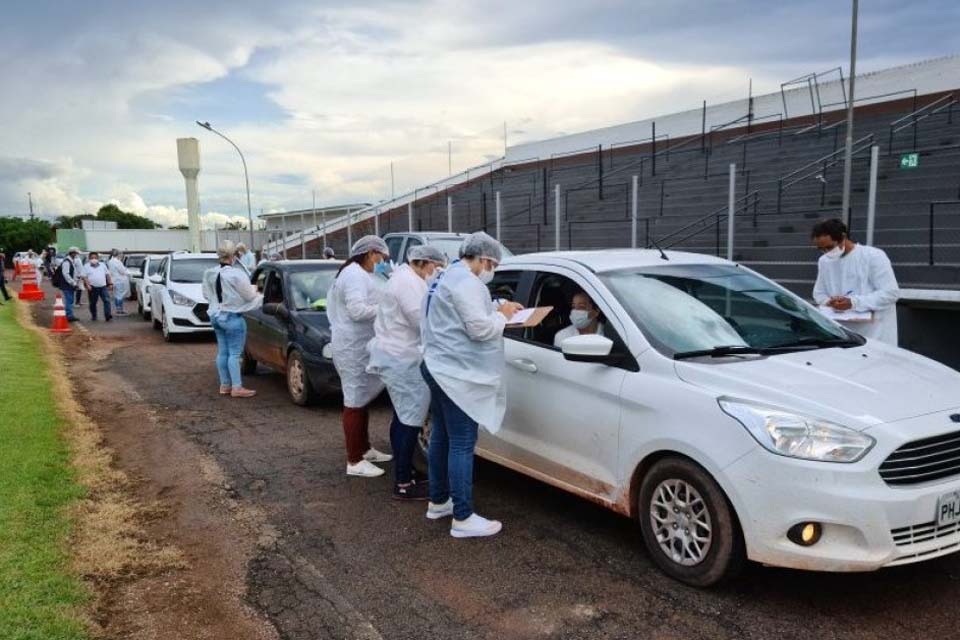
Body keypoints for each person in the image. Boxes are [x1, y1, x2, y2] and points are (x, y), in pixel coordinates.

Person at [420, 231, 523, 538]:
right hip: (454, 374)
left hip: (436, 366)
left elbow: (471, 310)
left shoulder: (447, 276)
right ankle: (463, 517)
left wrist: (500, 305)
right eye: (490, 264)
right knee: (462, 442)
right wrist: (503, 317)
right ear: (480, 259)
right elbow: (479, 328)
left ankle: (439, 501)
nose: (490, 270)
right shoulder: (466, 282)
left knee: (441, 435)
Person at [367, 244, 447, 500]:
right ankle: (403, 482)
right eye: (436, 267)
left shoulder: (406, 278)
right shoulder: (408, 283)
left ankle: (406, 470)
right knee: (409, 420)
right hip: (402, 358)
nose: (437, 272)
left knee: (402, 417)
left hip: (399, 355)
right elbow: (421, 320)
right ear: (423, 263)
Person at [327, 235, 394, 478]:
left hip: (358, 344)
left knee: (361, 397)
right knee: (354, 400)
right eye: (381, 258)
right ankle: (354, 460)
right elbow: (357, 311)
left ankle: (364, 449)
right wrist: (388, 309)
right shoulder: (354, 274)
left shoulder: (356, 272)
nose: (382, 262)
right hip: (352, 347)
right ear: (371, 253)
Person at [812, 218, 900, 345]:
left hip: (875, 333)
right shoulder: (824, 261)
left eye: (829, 247)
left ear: (843, 237)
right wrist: (829, 302)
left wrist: (854, 302)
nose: (826, 252)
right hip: (844, 334)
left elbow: (891, 293)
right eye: (821, 249)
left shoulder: (873, 256)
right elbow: (819, 294)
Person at [202, 240, 262, 398]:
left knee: (223, 352)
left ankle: (225, 385)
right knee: (235, 354)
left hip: (215, 315)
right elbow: (249, 296)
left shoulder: (210, 273)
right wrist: (257, 293)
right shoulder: (236, 274)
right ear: (233, 256)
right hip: (232, 316)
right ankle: (237, 387)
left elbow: (206, 295)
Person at [83, 251, 113, 322]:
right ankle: (94, 315)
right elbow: (84, 277)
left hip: (103, 286)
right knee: (93, 303)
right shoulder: (86, 266)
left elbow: (107, 275)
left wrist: (110, 283)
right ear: (89, 258)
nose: (94, 259)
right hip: (92, 287)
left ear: (98, 258)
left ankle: (107, 315)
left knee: (106, 300)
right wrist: (88, 285)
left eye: (95, 258)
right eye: (92, 258)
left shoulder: (103, 265)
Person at [53, 247, 81, 321]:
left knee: (70, 300)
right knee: (69, 299)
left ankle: (68, 314)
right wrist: (73, 283)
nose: (76, 255)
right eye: (76, 253)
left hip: (69, 284)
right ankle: (69, 315)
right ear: (72, 253)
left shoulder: (70, 261)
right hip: (67, 284)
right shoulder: (67, 262)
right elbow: (66, 274)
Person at [107, 249, 130, 315]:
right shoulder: (117, 262)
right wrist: (127, 272)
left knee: (117, 295)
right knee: (120, 295)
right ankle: (120, 310)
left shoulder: (110, 261)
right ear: (118, 254)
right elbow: (122, 271)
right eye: (121, 254)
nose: (122, 255)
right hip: (120, 280)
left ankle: (118, 309)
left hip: (114, 280)